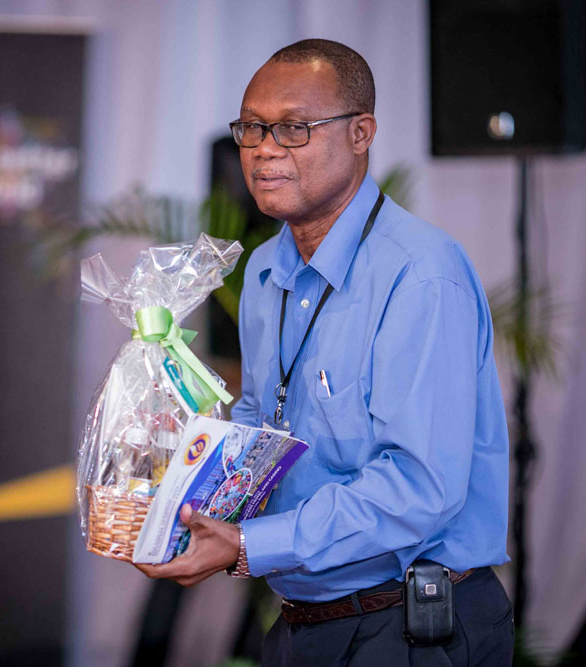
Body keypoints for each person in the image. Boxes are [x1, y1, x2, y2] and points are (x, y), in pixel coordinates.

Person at [136, 39, 513, 666]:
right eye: (251, 128)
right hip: (303, 625)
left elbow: (419, 486)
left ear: (361, 133)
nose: (263, 149)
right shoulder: (265, 271)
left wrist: (248, 545)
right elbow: (262, 429)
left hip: (410, 630)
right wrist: (178, 501)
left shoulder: (420, 275)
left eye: (293, 128)